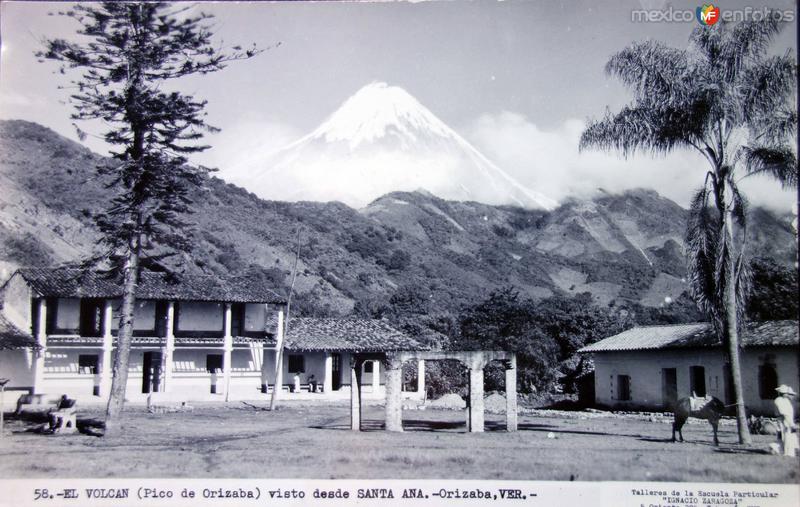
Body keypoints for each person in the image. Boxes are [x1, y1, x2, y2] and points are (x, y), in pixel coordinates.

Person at [774, 384, 797, 457]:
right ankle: (787, 452)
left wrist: (791, 423)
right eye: (786, 393)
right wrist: (790, 423)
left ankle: (789, 452)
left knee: (789, 436)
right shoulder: (778, 400)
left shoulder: (785, 401)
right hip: (783, 420)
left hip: (787, 420)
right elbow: (784, 413)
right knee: (785, 436)